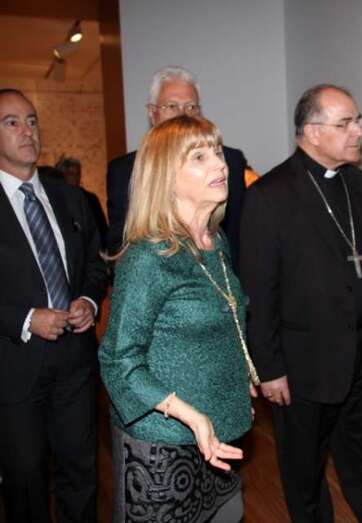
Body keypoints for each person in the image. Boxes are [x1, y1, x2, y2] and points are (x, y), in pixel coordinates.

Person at [240, 84, 362, 522]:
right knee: (304, 470)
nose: (358, 131)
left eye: (358, 120)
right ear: (312, 132)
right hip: (303, 364)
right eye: (345, 123)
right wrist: (269, 367)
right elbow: (258, 290)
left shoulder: (360, 184)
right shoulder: (269, 195)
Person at [99, 115, 256, 522]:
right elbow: (117, 360)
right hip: (162, 447)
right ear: (166, 177)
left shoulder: (215, 241)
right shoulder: (149, 256)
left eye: (217, 152)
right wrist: (189, 415)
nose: (220, 164)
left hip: (219, 436)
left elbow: (222, 319)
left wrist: (237, 382)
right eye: (199, 157)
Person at [0, 89, 108, 522]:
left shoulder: (71, 197)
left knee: (80, 473)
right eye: (11, 122)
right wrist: (27, 318)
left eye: (31, 120)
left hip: (75, 364)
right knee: (25, 480)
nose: (27, 130)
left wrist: (88, 301)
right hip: (14, 367)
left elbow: (97, 265)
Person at [106, 66, 247, 269]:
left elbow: (237, 234)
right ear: (152, 113)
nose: (184, 115)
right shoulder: (125, 170)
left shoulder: (229, 161)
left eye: (191, 107)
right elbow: (122, 241)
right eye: (172, 106)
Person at [55, 156, 108, 248]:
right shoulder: (54, 197)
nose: (76, 177)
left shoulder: (90, 198)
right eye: (71, 173)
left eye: (78, 173)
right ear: (62, 175)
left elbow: (101, 229)